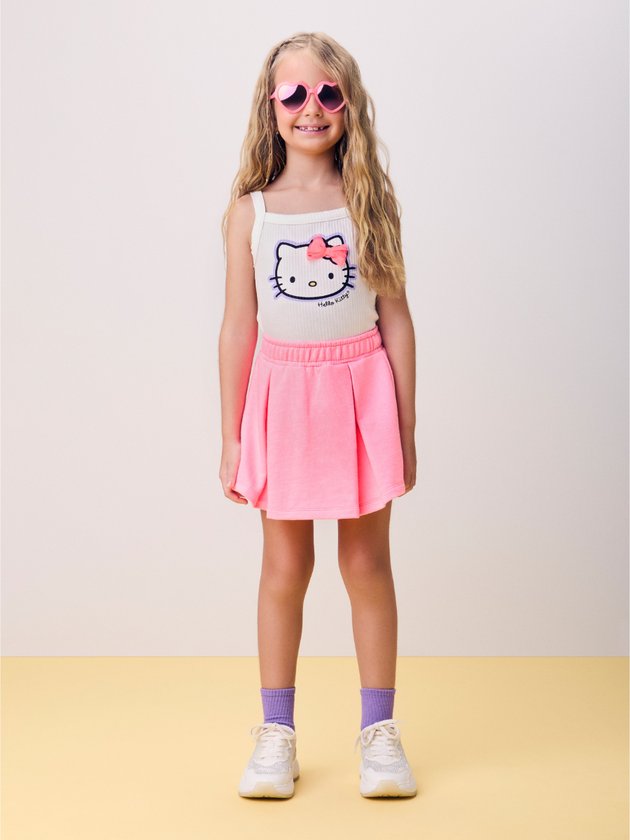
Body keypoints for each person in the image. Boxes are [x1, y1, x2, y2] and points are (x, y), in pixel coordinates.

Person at [218, 31, 418, 799]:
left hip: (360, 396)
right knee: (284, 568)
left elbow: (396, 320)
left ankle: (380, 733)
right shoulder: (250, 213)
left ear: (349, 104)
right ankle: (277, 734)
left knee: (365, 565)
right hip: (283, 402)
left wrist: (404, 427)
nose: (312, 107)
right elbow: (238, 327)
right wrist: (232, 435)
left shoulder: (369, 202)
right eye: (294, 93)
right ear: (270, 107)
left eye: (328, 93)